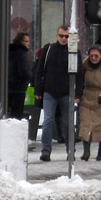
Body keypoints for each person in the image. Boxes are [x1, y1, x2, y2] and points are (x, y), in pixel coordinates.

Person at [33, 25, 82, 162]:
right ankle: (46, 150)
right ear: (57, 35)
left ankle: (70, 150)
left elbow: (79, 74)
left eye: (67, 36)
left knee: (68, 122)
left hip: (66, 92)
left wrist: (78, 94)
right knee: (48, 121)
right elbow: (40, 70)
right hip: (50, 91)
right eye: (61, 36)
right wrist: (38, 90)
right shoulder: (49, 49)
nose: (64, 39)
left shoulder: (74, 52)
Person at [76, 44, 101, 162]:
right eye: (91, 55)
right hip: (87, 98)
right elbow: (79, 82)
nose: (93, 58)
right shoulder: (84, 67)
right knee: (85, 124)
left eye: (96, 56)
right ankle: (86, 151)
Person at [7, 32, 33, 120]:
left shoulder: (8, 52)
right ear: (20, 42)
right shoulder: (22, 53)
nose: (28, 43)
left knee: (8, 113)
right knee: (17, 114)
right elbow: (24, 71)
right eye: (26, 41)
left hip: (8, 87)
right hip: (19, 88)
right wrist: (30, 77)